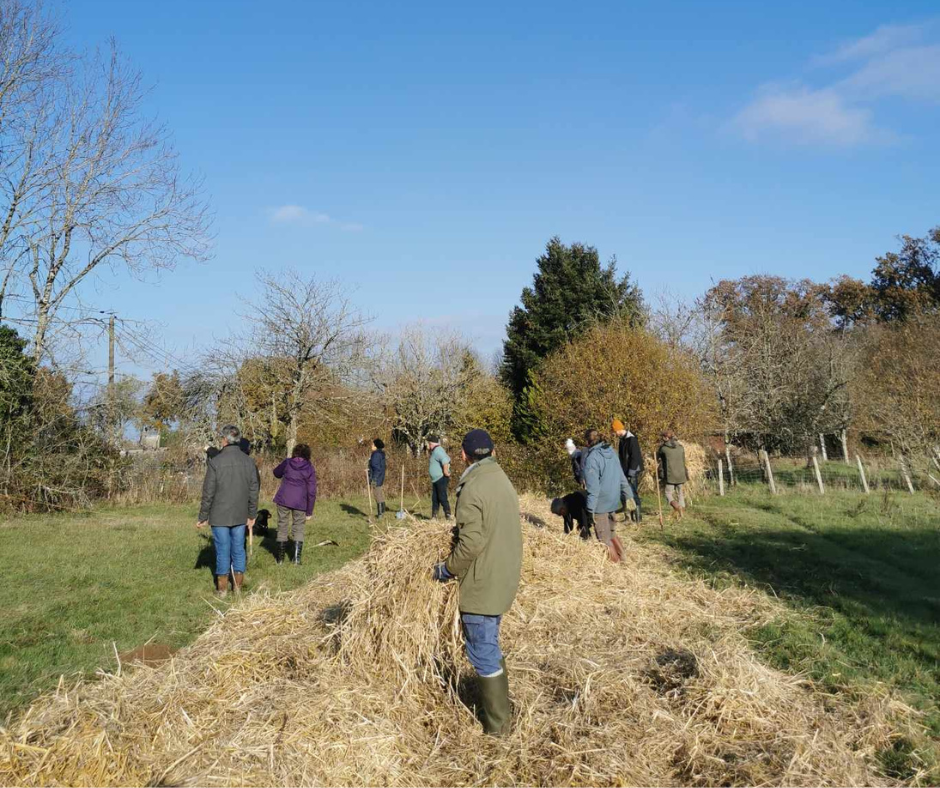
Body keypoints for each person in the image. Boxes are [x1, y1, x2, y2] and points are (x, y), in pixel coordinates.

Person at [432, 429, 521, 736]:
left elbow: (470, 543)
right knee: (490, 645)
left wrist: (446, 569)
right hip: (503, 574)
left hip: (483, 580)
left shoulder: (472, 488)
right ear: (493, 452)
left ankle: (498, 729)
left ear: (463, 456)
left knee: (482, 649)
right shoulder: (502, 480)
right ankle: (499, 712)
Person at [197, 425, 259, 597]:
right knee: (238, 549)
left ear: (224, 440)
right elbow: (254, 489)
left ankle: (222, 589)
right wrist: (252, 514)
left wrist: (203, 516)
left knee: (223, 550)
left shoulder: (215, 462)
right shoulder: (249, 461)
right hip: (240, 513)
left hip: (219, 514)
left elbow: (208, 491)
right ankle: (237, 587)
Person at [581, 428, 630, 563]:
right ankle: (624, 559)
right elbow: (621, 477)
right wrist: (629, 496)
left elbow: (593, 489)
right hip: (613, 501)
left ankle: (614, 565)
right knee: (612, 533)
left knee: (604, 538)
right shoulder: (612, 452)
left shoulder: (592, 459)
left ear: (587, 442)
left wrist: (590, 510)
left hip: (600, 504)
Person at [273, 443, 318, 565]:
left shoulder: (287, 463)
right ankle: (297, 560)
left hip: (284, 499)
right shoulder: (309, 468)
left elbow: (276, 473)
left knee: (282, 526)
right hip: (300, 502)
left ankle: (280, 560)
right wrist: (309, 511)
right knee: (299, 528)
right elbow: (312, 491)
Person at [612, 419, 644, 522]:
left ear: (619, 429)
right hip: (625, 470)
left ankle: (638, 518)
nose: (615, 434)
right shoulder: (622, 440)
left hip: (632, 470)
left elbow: (635, 457)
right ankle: (629, 517)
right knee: (625, 493)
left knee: (633, 493)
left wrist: (631, 472)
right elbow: (622, 458)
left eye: (615, 431)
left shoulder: (632, 440)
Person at [657, 430, 689, 520]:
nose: (662, 439)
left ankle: (676, 506)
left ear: (666, 438)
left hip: (671, 475)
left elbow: (657, 457)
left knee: (668, 493)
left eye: (663, 437)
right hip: (681, 474)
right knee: (680, 493)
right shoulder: (681, 447)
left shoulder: (663, 448)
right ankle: (681, 512)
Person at [427, 435, 452, 519]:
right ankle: (434, 516)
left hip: (441, 478)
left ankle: (448, 514)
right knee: (435, 498)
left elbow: (445, 460)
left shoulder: (438, 451)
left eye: (428, 444)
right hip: (436, 479)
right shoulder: (436, 451)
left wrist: (445, 471)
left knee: (442, 496)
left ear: (430, 444)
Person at [368, 438, 387, 517]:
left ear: (376, 446)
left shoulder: (376, 454)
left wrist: (374, 478)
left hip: (377, 477)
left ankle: (380, 514)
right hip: (380, 476)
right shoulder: (381, 454)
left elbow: (376, 467)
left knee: (377, 494)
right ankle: (382, 511)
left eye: (373, 444)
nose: (371, 446)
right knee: (379, 493)